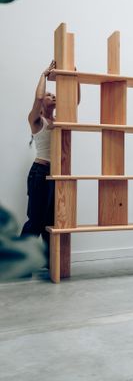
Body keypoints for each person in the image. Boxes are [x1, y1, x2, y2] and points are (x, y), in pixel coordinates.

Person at [20, 61, 57, 265]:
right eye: (49, 95)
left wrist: (73, 75)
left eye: (54, 95)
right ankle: (19, 263)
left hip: (54, 175)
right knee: (35, 221)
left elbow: (74, 101)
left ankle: (48, 262)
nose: (52, 97)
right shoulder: (37, 120)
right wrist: (44, 74)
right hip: (40, 173)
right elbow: (38, 97)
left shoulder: (58, 121)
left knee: (50, 223)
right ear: (42, 104)